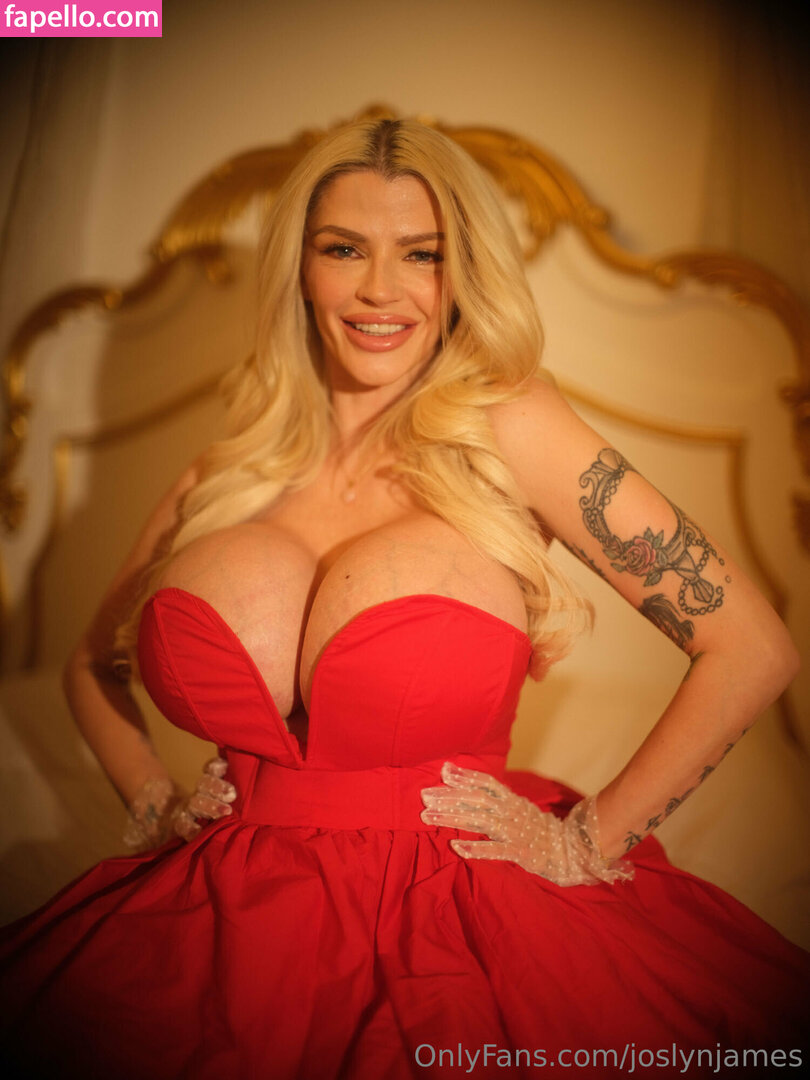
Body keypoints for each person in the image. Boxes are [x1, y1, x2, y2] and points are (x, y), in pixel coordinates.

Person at [1, 117, 808, 1079]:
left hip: (457, 925)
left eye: (421, 254)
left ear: (463, 274)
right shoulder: (228, 472)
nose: (380, 289)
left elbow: (751, 647)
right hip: (211, 927)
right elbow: (91, 665)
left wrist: (584, 842)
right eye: (344, 249)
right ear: (301, 268)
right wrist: (151, 798)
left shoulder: (511, 427)